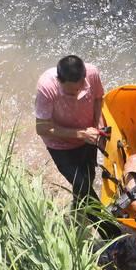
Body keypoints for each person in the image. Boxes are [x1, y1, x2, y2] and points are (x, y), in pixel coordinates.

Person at [34, 55, 107, 210]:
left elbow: (98, 99)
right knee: (83, 187)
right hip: (60, 144)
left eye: (81, 86)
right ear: (60, 81)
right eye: (72, 91)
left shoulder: (92, 73)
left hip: (88, 136)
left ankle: (77, 208)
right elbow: (41, 128)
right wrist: (81, 134)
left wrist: (99, 127)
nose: (78, 92)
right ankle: (111, 232)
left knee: (88, 177)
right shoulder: (46, 87)